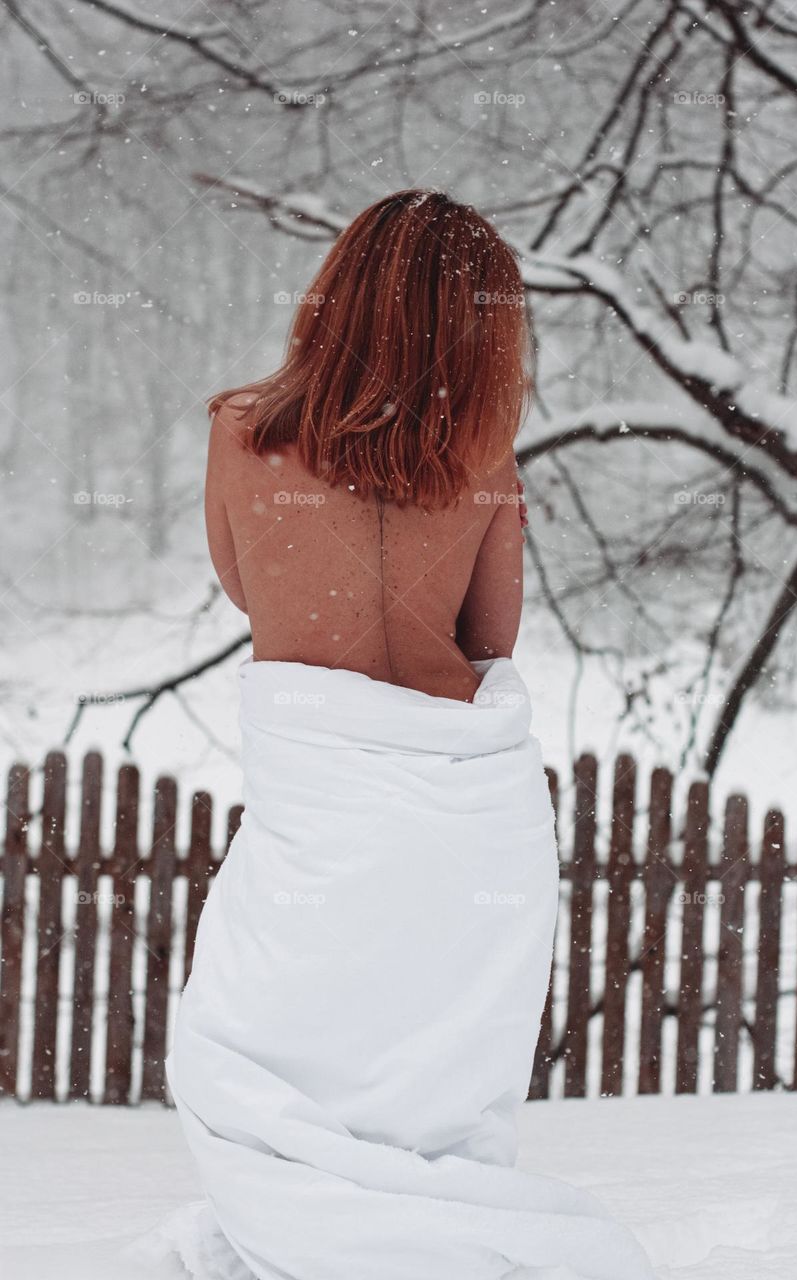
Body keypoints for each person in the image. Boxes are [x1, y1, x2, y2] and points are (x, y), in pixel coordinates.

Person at [139, 190, 655, 1280]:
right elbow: (489, 634)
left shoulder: (240, 433)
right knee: (438, 1079)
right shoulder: (482, 456)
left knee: (270, 1054)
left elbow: (246, 588)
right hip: (468, 815)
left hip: (324, 809)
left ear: (338, 294)